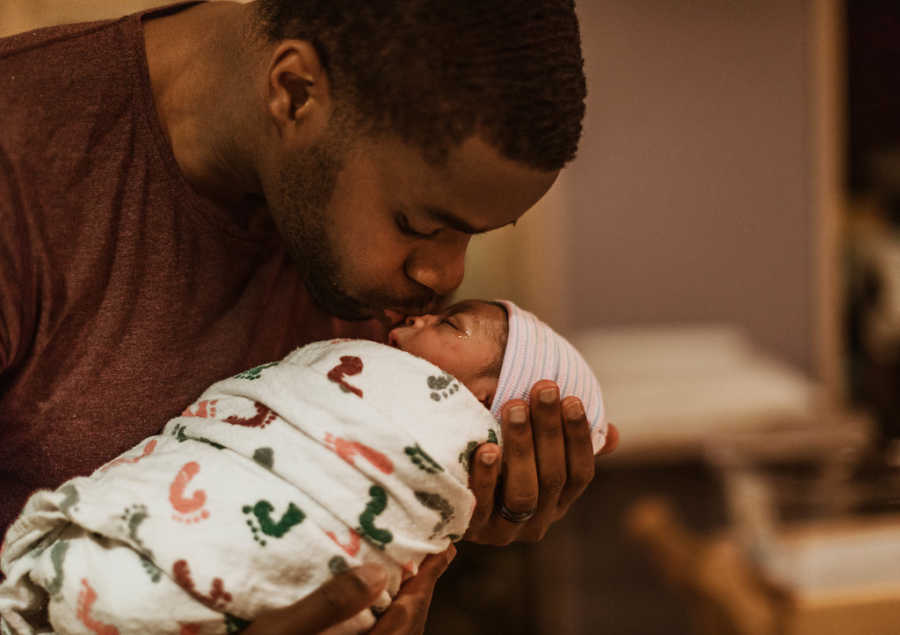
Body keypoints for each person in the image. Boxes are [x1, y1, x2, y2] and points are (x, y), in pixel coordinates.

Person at [0, 1, 618, 632]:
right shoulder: (23, 173)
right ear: (295, 92)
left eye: (474, 236)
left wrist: (439, 503)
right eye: (420, 224)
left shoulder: (383, 279)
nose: (445, 279)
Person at [0, 299, 606, 634]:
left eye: (448, 321)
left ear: (483, 404)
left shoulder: (434, 408)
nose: (418, 306)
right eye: (415, 219)